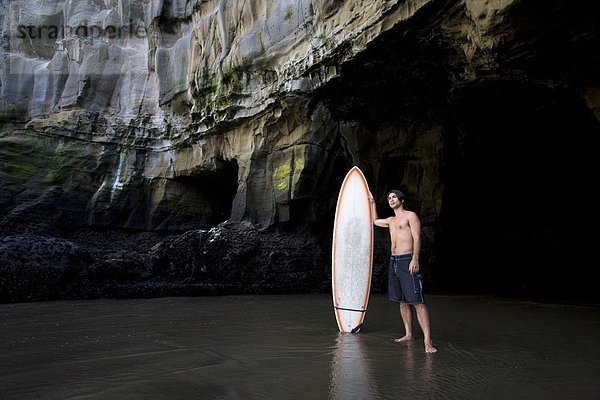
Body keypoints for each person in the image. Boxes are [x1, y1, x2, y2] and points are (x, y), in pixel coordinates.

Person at [370, 189, 437, 354]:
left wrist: (415, 259)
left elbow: (417, 237)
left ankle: (428, 341)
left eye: (394, 197)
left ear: (401, 199)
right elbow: (375, 221)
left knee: (417, 301)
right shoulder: (391, 220)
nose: (391, 199)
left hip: (407, 259)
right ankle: (409, 334)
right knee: (402, 300)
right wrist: (372, 204)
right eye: (389, 198)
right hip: (394, 261)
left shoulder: (410, 216)